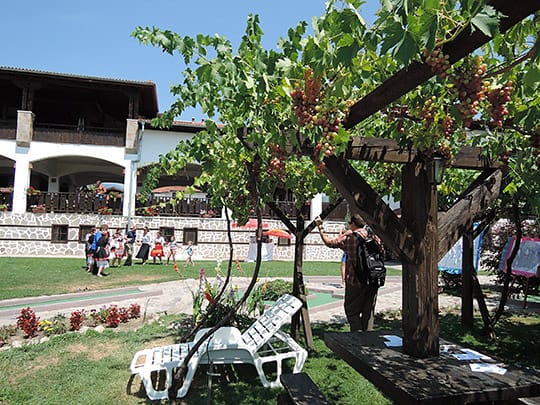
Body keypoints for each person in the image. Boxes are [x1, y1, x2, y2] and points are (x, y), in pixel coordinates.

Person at [316, 214, 380, 332]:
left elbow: (330, 242)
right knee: (368, 312)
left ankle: (357, 337)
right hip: (374, 279)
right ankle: (368, 337)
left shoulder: (351, 238)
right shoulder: (374, 237)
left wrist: (320, 227)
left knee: (352, 311)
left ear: (353, 224)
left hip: (355, 280)